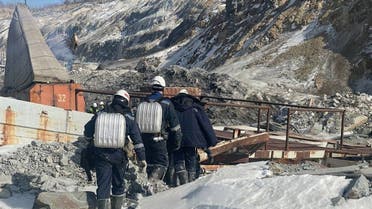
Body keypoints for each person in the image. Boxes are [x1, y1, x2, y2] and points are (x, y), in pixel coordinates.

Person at [84, 89, 146, 209]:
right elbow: (137, 141)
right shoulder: (128, 117)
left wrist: (89, 140)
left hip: (101, 155)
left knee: (103, 186)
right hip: (119, 156)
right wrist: (142, 158)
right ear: (126, 101)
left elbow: (87, 130)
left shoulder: (101, 113)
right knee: (118, 184)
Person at [135, 75, 182, 181]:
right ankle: (152, 184)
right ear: (163, 88)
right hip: (159, 140)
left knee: (149, 164)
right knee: (161, 164)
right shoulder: (166, 103)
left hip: (144, 140)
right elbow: (175, 127)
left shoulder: (143, 102)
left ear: (152, 88)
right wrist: (176, 143)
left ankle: (147, 185)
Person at [170, 89, 217, 184]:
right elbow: (205, 125)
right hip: (192, 139)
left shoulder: (171, 107)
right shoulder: (195, 107)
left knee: (178, 159)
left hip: (176, 138)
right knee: (191, 159)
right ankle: (190, 182)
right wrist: (212, 141)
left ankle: (180, 183)